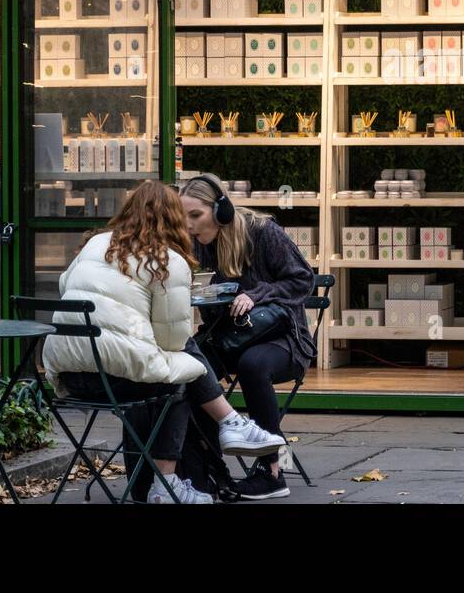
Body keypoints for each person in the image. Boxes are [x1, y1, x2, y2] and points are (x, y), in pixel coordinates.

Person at [42, 180, 286, 504]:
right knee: (180, 373)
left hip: (70, 376)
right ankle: (177, 476)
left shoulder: (95, 244)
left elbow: (65, 286)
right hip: (118, 381)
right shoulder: (168, 260)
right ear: (174, 219)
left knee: (179, 365)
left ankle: (228, 429)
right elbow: (173, 340)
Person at [178, 174, 316, 501]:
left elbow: (303, 280)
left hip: (283, 339)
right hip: (228, 337)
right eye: (184, 217)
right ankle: (211, 471)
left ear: (222, 210)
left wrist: (259, 294)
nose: (189, 225)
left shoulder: (262, 231)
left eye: (195, 215)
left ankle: (274, 471)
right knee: (191, 367)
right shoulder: (195, 244)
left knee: (252, 365)